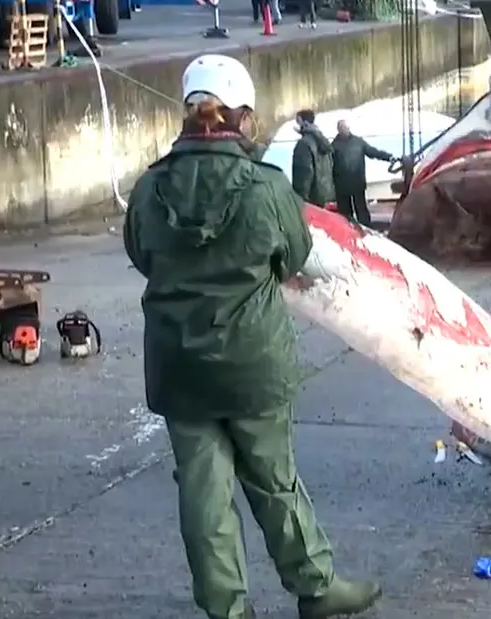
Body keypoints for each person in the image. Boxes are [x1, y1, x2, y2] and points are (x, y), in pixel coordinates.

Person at [122, 54, 382, 619]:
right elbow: (295, 256)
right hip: (251, 362)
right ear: (241, 117)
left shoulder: (150, 189)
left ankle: (226, 609)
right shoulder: (266, 187)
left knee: (202, 491)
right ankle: (314, 588)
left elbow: (142, 256)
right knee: (273, 478)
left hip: (177, 364)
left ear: (189, 113)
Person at [331, 119, 397, 227]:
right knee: (345, 214)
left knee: (361, 211)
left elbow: (373, 152)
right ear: (338, 130)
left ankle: (366, 229)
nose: (345, 130)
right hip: (341, 185)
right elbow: (328, 165)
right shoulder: (333, 146)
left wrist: (388, 157)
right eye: (342, 128)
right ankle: (348, 231)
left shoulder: (358, 142)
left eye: (346, 128)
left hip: (357, 183)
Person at [291, 109, 334, 207]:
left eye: (298, 121)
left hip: (311, 197)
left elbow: (304, 173)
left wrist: (300, 197)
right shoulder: (323, 140)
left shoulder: (304, 144)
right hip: (325, 194)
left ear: (305, 123)